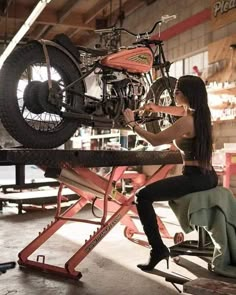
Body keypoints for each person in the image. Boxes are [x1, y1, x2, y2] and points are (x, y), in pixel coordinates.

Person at [123, 75, 218, 271]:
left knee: (143, 196)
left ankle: (157, 250)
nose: (174, 94)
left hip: (195, 177)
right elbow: (179, 109)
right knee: (150, 193)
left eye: (177, 91)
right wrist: (157, 108)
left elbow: (156, 140)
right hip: (208, 176)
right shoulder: (201, 115)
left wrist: (132, 124)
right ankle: (159, 249)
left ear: (187, 94)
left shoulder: (186, 122)